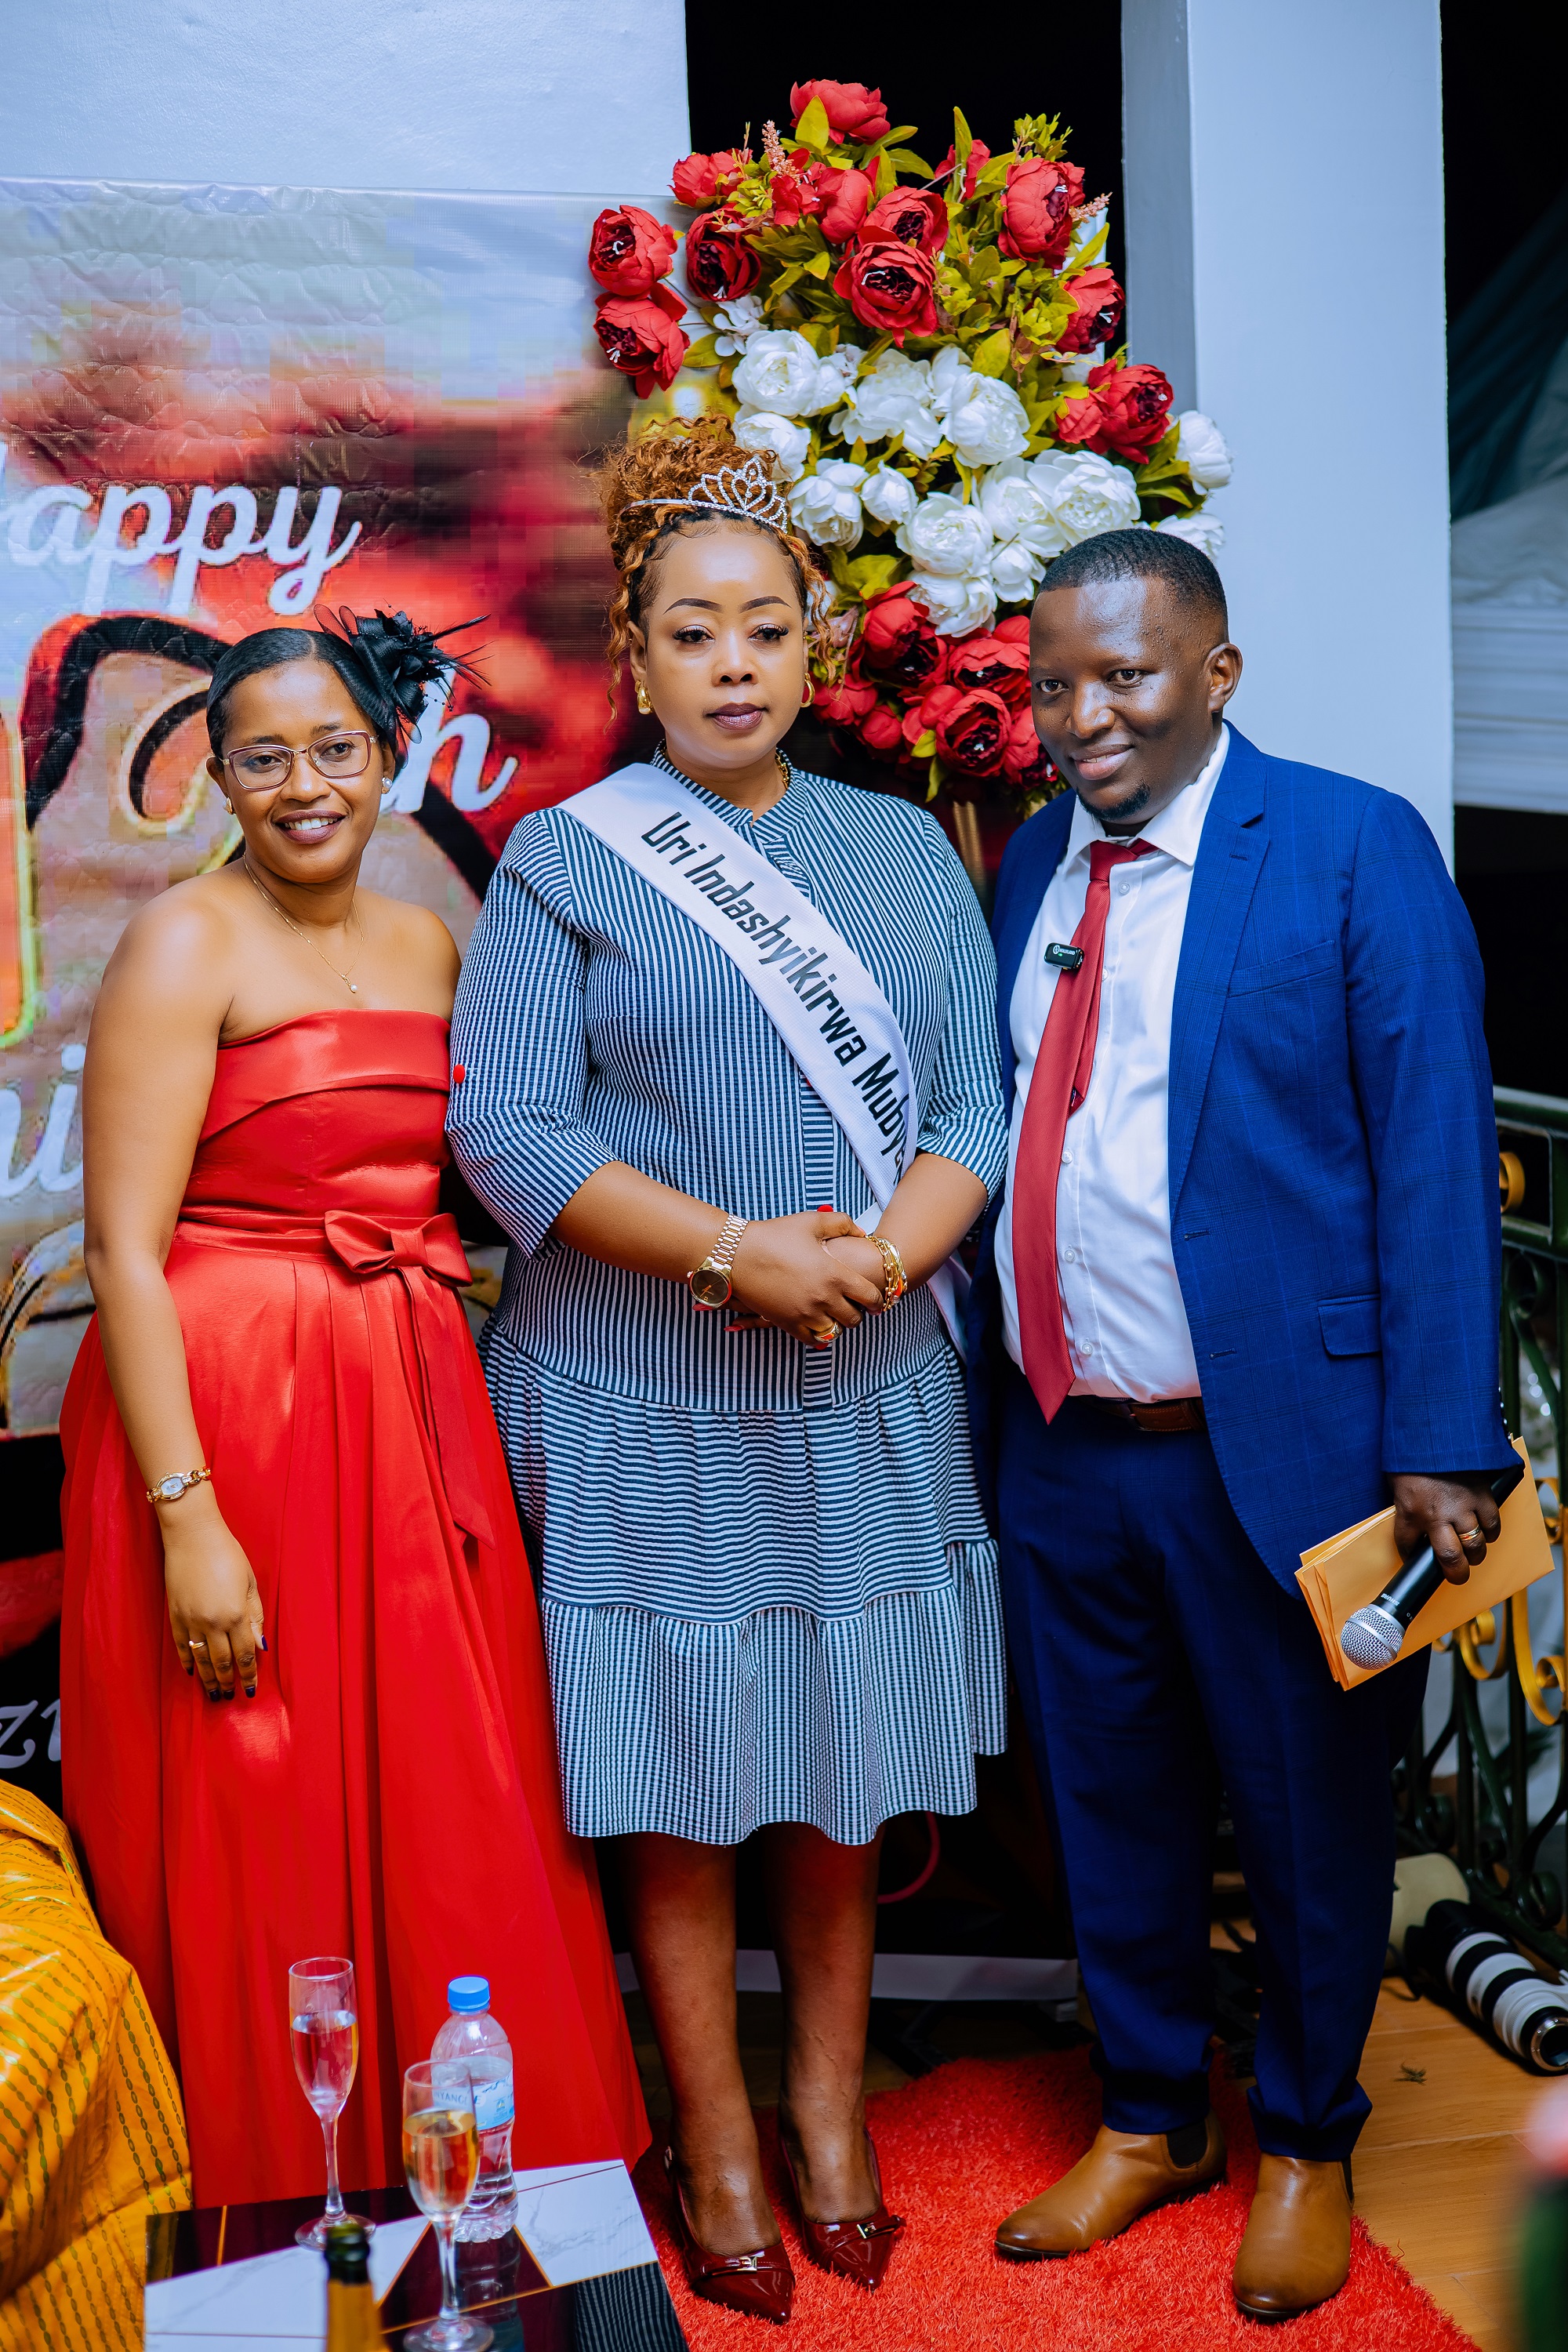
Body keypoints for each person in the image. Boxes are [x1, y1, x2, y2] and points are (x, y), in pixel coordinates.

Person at [448, 419, 1007, 2325]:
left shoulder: (902, 853)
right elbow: (509, 1131)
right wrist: (729, 1253)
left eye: (764, 626)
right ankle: (713, 2137)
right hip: (641, 1393)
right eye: (692, 633)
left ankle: (829, 2118)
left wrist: (874, 1263)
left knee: (842, 1764)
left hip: (859, 1381)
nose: (733, 664)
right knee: (676, 1777)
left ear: (814, 645)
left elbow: (970, 1105)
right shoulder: (563, 860)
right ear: (635, 656)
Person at [969, 528, 1514, 2319]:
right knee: (1104, 1797)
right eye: (1054, 684)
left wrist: (1441, 1434)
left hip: (1281, 1450)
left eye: (1124, 676)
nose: (1083, 717)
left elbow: (1433, 1146)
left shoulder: (1351, 844)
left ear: (1215, 673)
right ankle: (1148, 2116)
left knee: (1302, 1815)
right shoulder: (1034, 858)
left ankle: (1304, 2136)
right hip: (1065, 1438)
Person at [59, 609, 648, 2209]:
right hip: (230, 1405)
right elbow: (122, 1251)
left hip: (402, 1387)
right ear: (218, 780)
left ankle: (454, 2194)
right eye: (264, 758)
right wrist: (189, 1522)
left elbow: (488, 1168)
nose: (304, 784)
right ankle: (274, 2200)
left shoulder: (433, 943)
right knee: (257, 1792)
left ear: (392, 755)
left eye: (335, 749)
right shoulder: (184, 942)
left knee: (439, 1783)